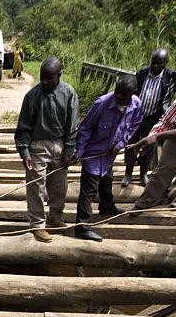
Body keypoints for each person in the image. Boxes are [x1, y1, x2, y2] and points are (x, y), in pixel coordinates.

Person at [14, 56, 79, 243]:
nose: (44, 81)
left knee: (59, 186)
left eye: (49, 78)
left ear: (59, 75)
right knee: (36, 187)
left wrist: (69, 150)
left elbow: (73, 124)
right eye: (42, 77)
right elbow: (23, 126)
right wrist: (24, 152)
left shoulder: (68, 93)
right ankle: (37, 225)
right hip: (38, 146)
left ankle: (55, 217)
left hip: (59, 144)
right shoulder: (32, 96)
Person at [72, 75, 142, 242]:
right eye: (117, 92)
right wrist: (80, 151)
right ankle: (82, 227)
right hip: (94, 152)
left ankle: (107, 206)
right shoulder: (102, 104)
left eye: (123, 94)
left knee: (107, 179)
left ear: (133, 93)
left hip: (110, 153)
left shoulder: (136, 104)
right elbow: (85, 128)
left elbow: (135, 123)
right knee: (89, 190)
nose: (118, 97)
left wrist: (123, 142)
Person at [122, 49, 174, 187]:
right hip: (136, 115)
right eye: (153, 63)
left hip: (153, 117)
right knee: (131, 142)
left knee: (148, 146)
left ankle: (143, 173)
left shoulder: (169, 77)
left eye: (159, 64)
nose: (155, 66)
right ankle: (128, 173)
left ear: (165, 63)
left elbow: (170, 98)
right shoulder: (142, 73)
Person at [131, 88, 176, 210]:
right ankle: (148, 200)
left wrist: (158, 136)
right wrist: (152, 136)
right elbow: (167, 120)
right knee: (164, 167)